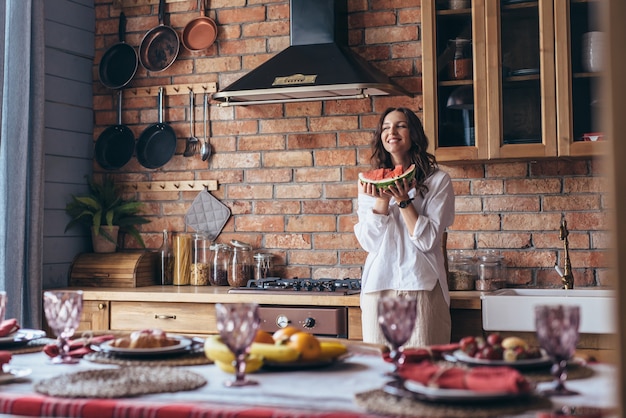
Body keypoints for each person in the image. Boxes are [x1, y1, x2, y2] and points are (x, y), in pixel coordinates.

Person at [354, 107, 455, 348]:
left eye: (400, 125)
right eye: (386, 127)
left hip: (422, 285)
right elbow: (369, 243)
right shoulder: (369, 184)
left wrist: (403, 202)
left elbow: (427, 240)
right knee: (383, 371)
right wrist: (382, 199)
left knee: (424, 370)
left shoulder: (437, 181)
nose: (392, 132)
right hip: (378, 287)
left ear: (414, 134)